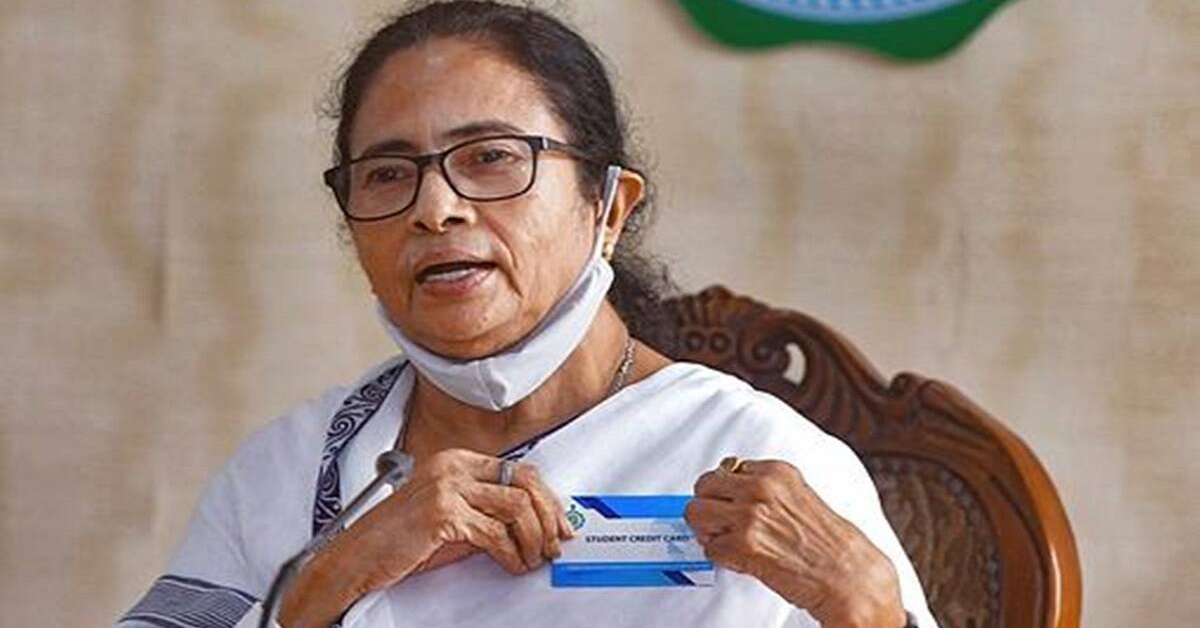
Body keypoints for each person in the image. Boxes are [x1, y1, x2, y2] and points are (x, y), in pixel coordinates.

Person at [118, 2, 937, 627]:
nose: (434, 208)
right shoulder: (292, 469)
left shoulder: (757, 458)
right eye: (388, 173)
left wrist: (868, 612)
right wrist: (331, 577)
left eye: (491, 158)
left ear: (608, 207)